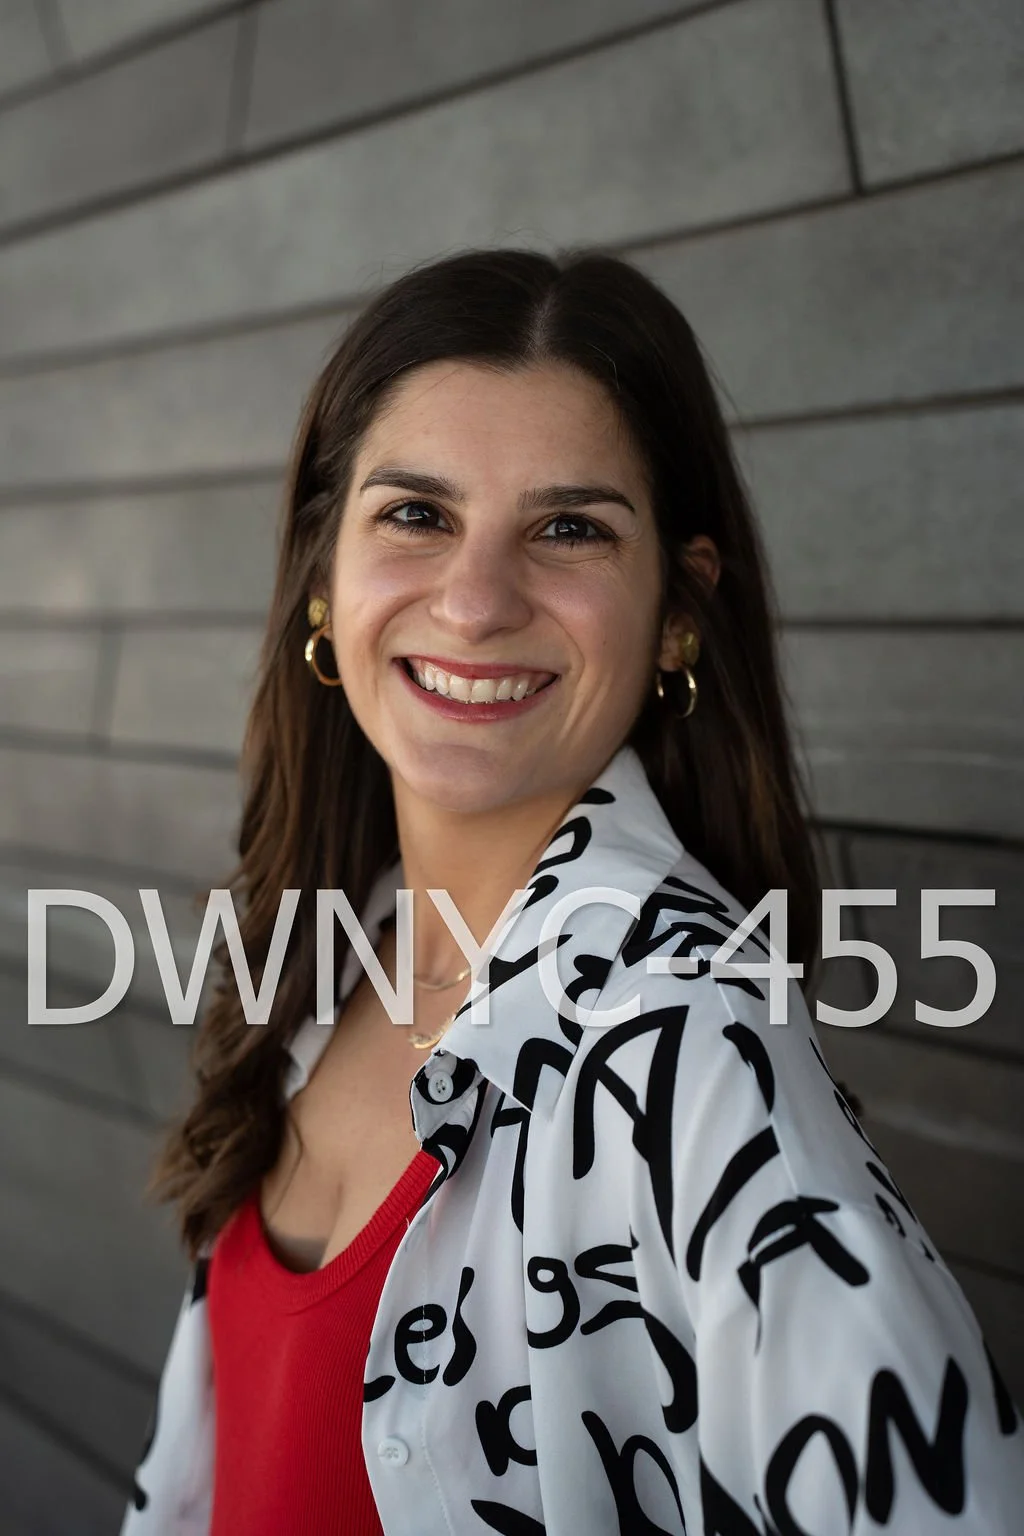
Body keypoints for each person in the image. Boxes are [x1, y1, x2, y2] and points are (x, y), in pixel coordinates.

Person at [120, 248, 1022, 1535]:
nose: (475, 602)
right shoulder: (340, 946)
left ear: (676, 613)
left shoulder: (679, 1032)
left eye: (568, 529)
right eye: (416, 514)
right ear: (324, 575)